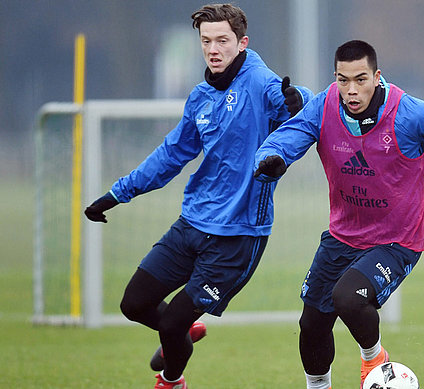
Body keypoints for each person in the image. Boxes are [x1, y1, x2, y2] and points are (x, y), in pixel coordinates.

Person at [84, 3, 313, 388]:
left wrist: (298, 99)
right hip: (191, 225)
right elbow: (171, 154)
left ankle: (172, 380)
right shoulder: (201, 96)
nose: (213, 48)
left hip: (237, 237)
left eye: (222, 40)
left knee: (172, 321)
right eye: (206, 41)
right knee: (134, 304)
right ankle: (181, 337)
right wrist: (117, 193)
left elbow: (295, 103)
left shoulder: (259, 81)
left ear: (242, 43)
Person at [254, 40, 424, 389]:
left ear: (377, 76)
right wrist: (271, 159)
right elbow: (288, 137)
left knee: (348, 297)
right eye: (342, 80)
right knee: (312, 324)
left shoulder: (409, 113)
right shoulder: (324, 106)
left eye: (360, 79)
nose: (351, 90)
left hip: (397, 241)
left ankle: (374, 360)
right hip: (342, 236)